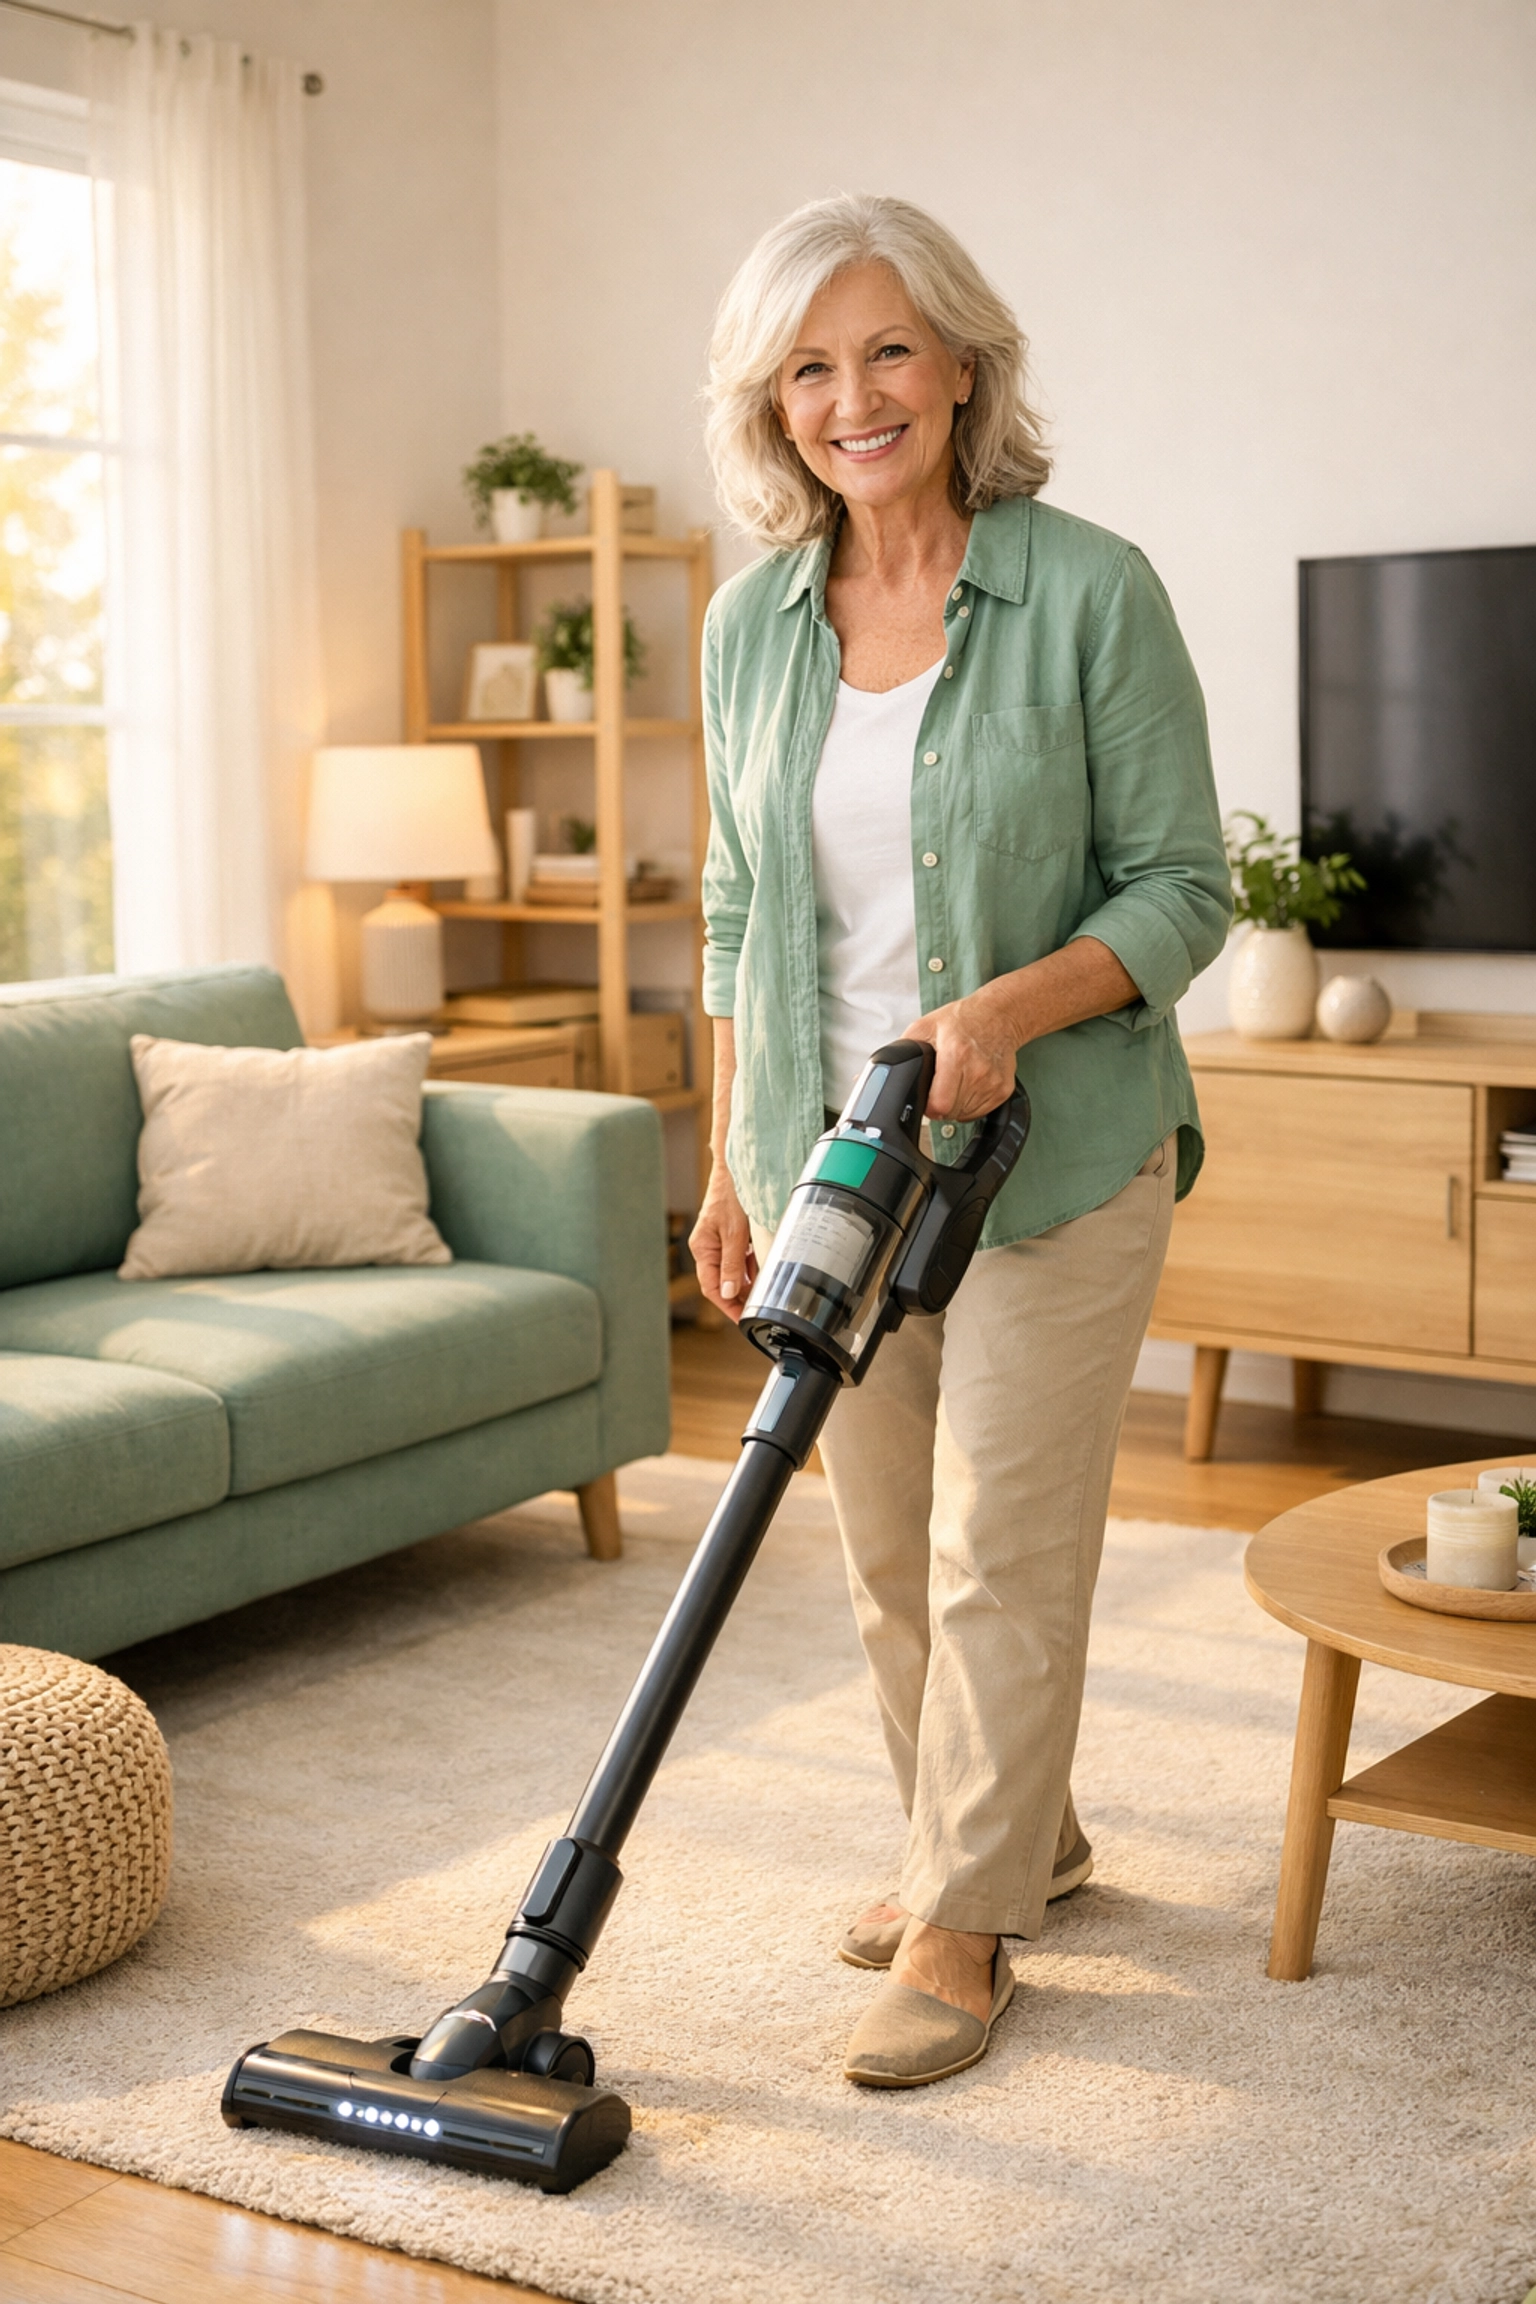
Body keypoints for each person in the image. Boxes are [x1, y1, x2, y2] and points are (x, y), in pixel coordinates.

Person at [690, 193, 1231, 2089]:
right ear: (775, 408)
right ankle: (1013, 1840)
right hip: (834, 1160)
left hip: (1058, 1149)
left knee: (1001, 1537)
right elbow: (744, 913)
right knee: (886, 1547)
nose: (856, 397)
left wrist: (1004, 1011)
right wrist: (727, 1163)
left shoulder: (1091, 588)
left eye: (890, 350)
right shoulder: (748, 627)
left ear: (965, 368)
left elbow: (1183, 892)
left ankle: (963, 1917)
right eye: (813, 366)